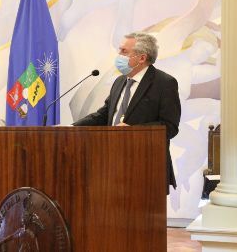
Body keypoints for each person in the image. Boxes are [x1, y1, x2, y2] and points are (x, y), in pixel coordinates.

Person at [73, 32, 181, 194]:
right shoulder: (120, 81)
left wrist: (133, 131)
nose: (119, 56)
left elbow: (170, 126)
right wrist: (71, 127)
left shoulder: (164, 83)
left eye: (124, 51)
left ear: (142, 58)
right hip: (110, 163)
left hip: (146, 167)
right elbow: (104, 115)